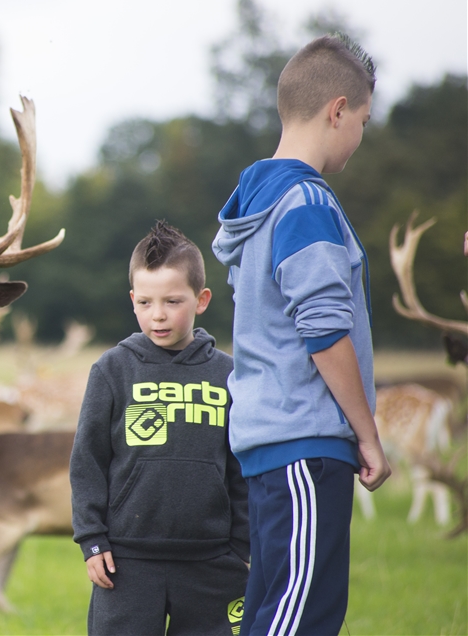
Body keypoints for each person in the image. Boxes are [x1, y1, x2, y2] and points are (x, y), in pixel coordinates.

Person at [211, 33, 391, 636]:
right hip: (307, 444)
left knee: (272, 613)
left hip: (268, 442)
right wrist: (367, 434)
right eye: (362, 121)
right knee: (302, 621)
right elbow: (324, 330)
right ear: (337, 110)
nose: (360, 137)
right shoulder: (307, 201)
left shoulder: (258, 199)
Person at [71, 221, 249, 636]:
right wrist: (92, 540)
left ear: (201, 299)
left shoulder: (229, 374)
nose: (159, 315)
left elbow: (241, 466)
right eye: (146, 302)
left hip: (213, 564)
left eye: (173, 301)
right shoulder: (112, 370)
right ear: (133, 300)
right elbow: (87, 462)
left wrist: (242, 546)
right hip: (126, 564)